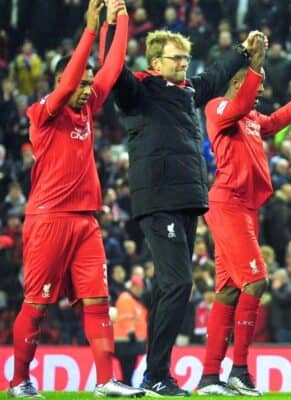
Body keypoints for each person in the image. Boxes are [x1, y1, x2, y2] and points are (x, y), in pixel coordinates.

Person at [101, 10, 266, 395]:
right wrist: (113, 23)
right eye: (176, 58)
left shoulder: (188, 91)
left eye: (186, 58)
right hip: (159, 199)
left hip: (187, 199)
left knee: (166, 288)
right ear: (155, 62)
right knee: (179, 284)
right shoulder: (139, 89)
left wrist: (244, 52)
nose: (184, 64)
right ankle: (157, 374)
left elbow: (214, 76)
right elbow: (112, 64)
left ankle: (154, 375)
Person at [8, 1, 144, 397]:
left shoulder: (86, 110)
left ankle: (105, 381)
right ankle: (18, 380)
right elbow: (68, 85)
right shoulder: (42, 113)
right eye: (80, 84)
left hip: (86, 221)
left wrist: (120, 20)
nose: (87, 91)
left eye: (88, 85)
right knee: (37, 305)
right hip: (49, 219)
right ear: (60, 82)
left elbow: (113, 68)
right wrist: (89, 30)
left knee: (99, 300)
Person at [196, 36, 291, 396]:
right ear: (237, 81)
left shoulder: (250, 116)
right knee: (256, 281)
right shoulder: (218, 108)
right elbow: (242, 106)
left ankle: (208, 377)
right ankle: (238, 369)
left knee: (229, 291)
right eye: (255, 79)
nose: (260, 85)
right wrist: (255, 62)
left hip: (246, 208)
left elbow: (273, 120)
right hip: (227, 203)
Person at [114, 276, 148, 386]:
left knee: (130, 368)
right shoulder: (126, 298)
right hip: (125, 341)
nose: (139, 290)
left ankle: (127, 385)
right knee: (127, 368)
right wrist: (131, 332)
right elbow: (126, 317)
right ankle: (126, 385)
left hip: (132, 342)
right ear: (132, 287)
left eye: (141, 288)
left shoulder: (135, 301)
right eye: (137, 288)